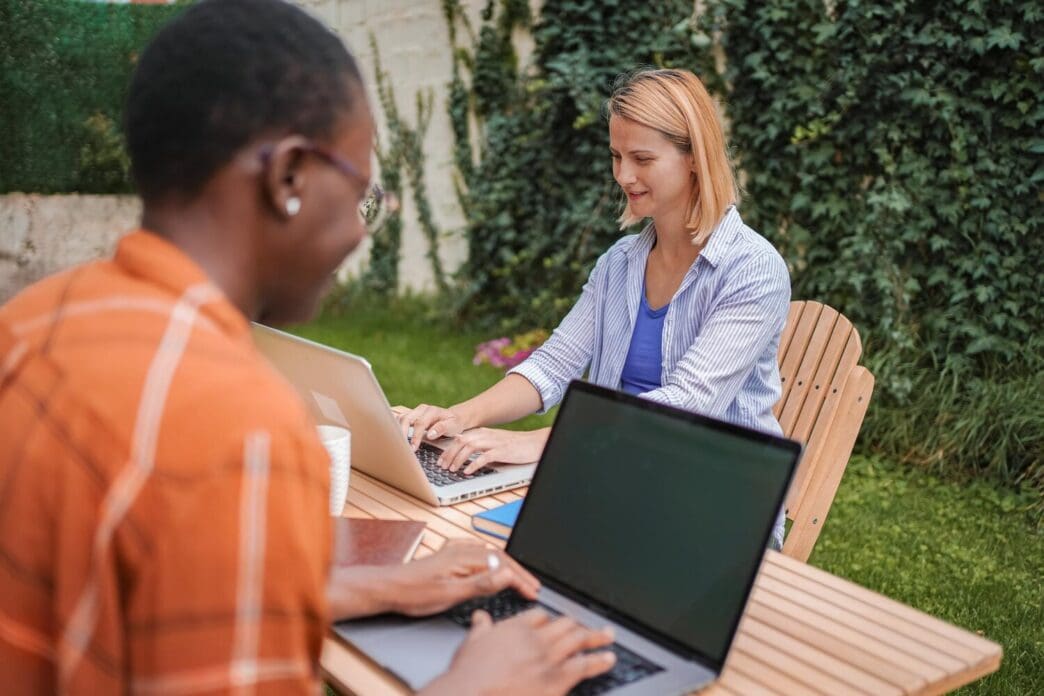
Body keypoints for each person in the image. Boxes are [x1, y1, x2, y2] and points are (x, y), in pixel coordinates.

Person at [0, 1, 616, 693]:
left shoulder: (33, 320)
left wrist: (367, 589)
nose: (361, 233)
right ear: (290, 177)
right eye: (361, 191)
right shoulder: (238, 431)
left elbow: (141, 594)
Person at [399, 68, 791, 548]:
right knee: (460, 524)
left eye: (642, 158)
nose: (623, 175)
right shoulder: (620, 264)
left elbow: (687, 404)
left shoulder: (752, 270)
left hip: (713, 506)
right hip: (615, 480)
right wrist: (460, 416)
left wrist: (543, 446)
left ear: (694, 157)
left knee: (504, 544)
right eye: (616, 156)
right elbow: (553, 364)